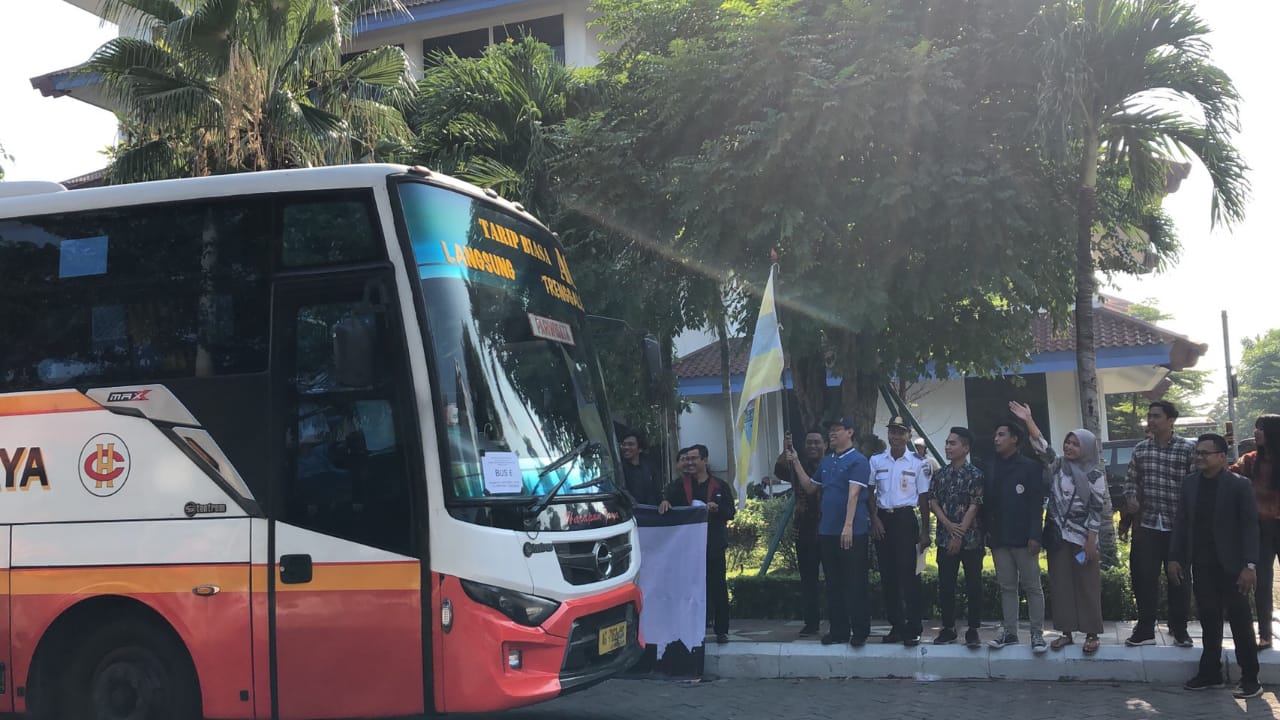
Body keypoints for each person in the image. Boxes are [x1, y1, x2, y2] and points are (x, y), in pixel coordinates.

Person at [1169, 433, 1262, 698]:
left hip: (1234, 567)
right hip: (1202, 564)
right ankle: (1211, 673)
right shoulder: (1189, 484)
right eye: (1197, 453)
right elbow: (1182, 523)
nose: (1199, 457)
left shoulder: (1239, 485)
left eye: (1205, 453)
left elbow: (1250, 528)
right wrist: (1175, 557)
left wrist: (1250, 565)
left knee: (1240, 621)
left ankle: (1250, 679)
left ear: (1222, 457)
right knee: (1209, 620)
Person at [1013, 403, 1106, 655]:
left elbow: (1097, 510)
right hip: (1057, 539)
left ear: (1086, 448)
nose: (1069, 447)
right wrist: (1028, 419)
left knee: (1086, 583)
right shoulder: (1057, 466)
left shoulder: (1095, 475)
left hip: (1081, 540)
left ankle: (1091, 633)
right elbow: (1042, 446)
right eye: (1068, 442)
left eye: (1075, 444)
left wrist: (1090, 542)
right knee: (1061, 583)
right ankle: (1065, 632)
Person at [787, 417, 873, 647]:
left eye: (837, 429)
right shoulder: (827, 461)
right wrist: (795, 461)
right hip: (827, 531)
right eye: (831, 430)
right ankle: (839, 630)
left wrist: (847, 525)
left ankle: (860, 630)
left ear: (850, 432)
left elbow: (854, 494)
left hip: (852, 531)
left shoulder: (858, 460)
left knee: (854, 582)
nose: (832, 434)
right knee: (833, 583)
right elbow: (810, 487)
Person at [1121, 401, 1196, 648]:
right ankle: (1145, 629)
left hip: (1178, 528)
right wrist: (1131, 498)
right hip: (1148, 526)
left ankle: (1180, 628)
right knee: (1143, 578)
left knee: (1180, 580)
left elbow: (1195, 487)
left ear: (1171, 420)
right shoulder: (1141, 450)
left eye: (1156, 416)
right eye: (1149, 416)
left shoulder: (1187, 449)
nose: (1150, 421)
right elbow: (1131, 480)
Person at [658, 444, 736, 644]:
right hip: (686, 549)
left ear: (705, 460)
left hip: (713, 545)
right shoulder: (677, 486)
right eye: (687, 459)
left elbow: (731, 512)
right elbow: (666, 505)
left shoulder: (719, 486)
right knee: (687, 589)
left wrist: (717, 509)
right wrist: (665, 503)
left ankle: (721, 630)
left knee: (718, 587)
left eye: (694, 458)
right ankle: (689, 628)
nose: (690, 462)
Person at [984, 407, 1047, 653]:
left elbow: (1035, 504)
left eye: (1001, 435)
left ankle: (1037, 634)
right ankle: (1009, 632)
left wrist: (1035, 535)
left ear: (1015, 439)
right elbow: (986, 504)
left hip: (1024, 538)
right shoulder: (990, 466)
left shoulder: (1030, 468)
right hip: (999, 537)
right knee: (1007, 587)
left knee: (1032, 586)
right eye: (995, 435)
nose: (996, 439)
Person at [870, 416, 931, 646]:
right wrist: (874, 517)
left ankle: (913, 628)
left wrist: (925, 532)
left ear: (908, 435)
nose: (895, 436)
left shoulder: (918, 463)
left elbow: (924, 499)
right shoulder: (876, 460)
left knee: (910, 576)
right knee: (888, 576)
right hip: (883, 519)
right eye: (892, 432)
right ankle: (896, 626)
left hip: (906, 519)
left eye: (900, 432)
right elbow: (869, 491)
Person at [927, 427, 985, 647]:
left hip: (971, 540)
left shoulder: (976, 475)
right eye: (947, 443)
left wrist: (959, 533)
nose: (948, 447)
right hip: (945, 537)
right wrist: (949, 526)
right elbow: (933, 501)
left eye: (953, 443)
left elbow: (975, 505)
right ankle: (948, 627)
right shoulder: (941, 474)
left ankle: (973, 629)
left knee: (973, 585)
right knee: (946, 585)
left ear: (966, 448)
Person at [1229, 414, 1280, 649]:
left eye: (1261, 428)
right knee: (1262, 581)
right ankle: (1265, 635)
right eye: (1256, 427)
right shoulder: (1249, 461)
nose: (1256, 432)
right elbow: (1230, 474)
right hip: (1259, 527)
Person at [774, 429, 827, 636]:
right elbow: (779, 469)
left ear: (825, 445)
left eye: (817, 442)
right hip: (804, 528)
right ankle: (811, 623)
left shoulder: (831, 465)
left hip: (828, 527)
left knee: (835, 578)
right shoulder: (798, 464)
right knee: (808, 580)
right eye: (809, 443)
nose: (813, 446)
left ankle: (840, 620)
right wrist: (786, 448)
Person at [619, 430, 662, 505]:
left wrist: (663, 501)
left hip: (649, 512)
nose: (626, 447)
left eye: (630, 444)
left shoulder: (650, 468)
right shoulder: (619, 468)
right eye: (624, 444)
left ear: (640, 449)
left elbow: (657, 492)